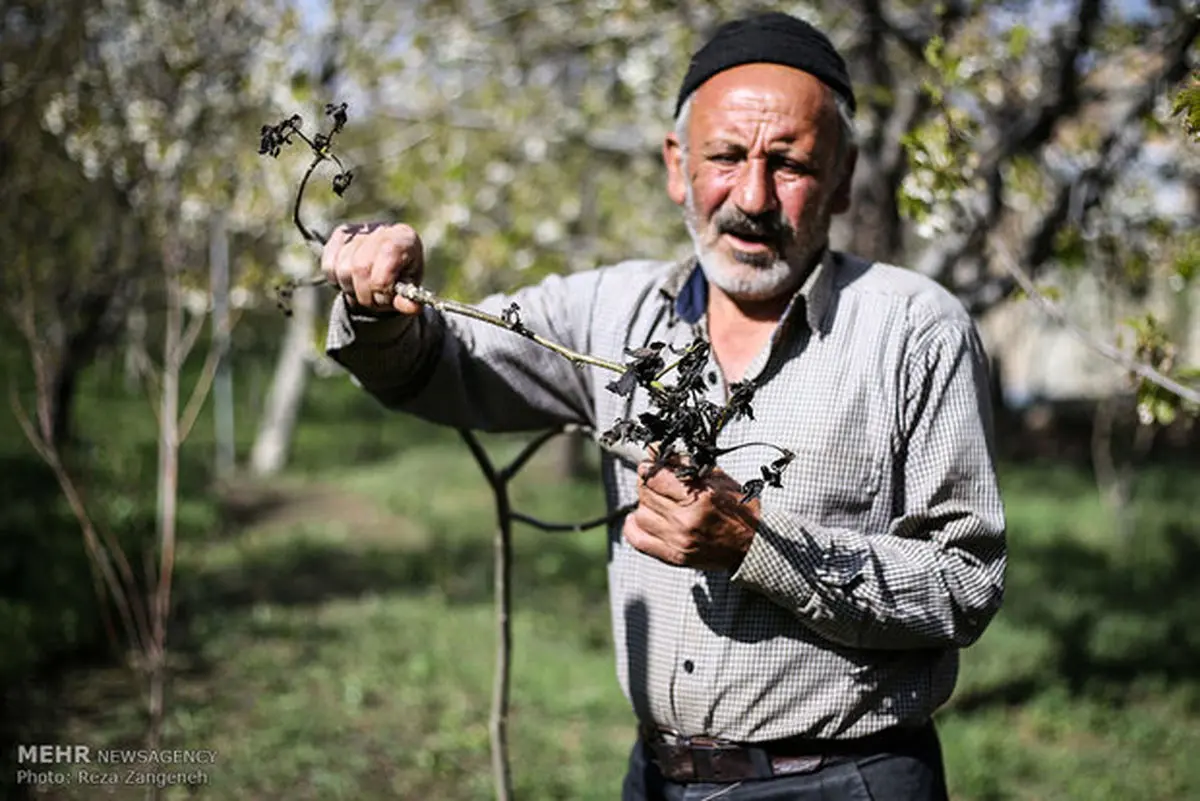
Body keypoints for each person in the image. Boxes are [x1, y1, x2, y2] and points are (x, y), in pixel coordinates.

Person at [321, 11, 1006, 801]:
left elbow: (965, 581)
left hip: (844, 781)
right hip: (654, 778)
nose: (752, 196)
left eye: (789, 164)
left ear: (845, 176)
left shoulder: (915, 330)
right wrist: (379, 304)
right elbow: (440, 365)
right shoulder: (614, 312)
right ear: (677, 165)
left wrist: (758, 544)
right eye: (724, 157)